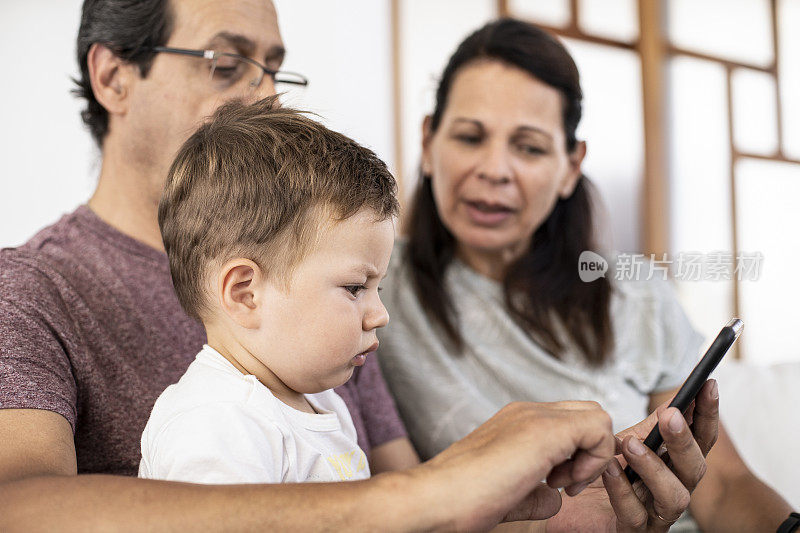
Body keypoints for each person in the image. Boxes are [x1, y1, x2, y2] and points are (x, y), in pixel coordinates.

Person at [0, 1, 714, 530]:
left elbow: (412, 506)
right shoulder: (35, 288)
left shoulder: (324, 308)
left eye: (275, 67)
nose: (263, 94)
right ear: (113, 75)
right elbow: (18, 507)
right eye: (227, 62)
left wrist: (592, 513)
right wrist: (439, 486)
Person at [377, 18, 795, 532]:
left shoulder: (633, 294)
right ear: (428, 140)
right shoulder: (372, 288)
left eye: (528, 147)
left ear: (571, 165)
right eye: (469, 136)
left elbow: (725, 488)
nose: (494, 169)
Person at [140, 97, 399, 484]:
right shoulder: (216, 422)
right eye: (355, 287)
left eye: (377, 287)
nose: (380, 314)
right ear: (246, 294)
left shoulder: (320, 400)